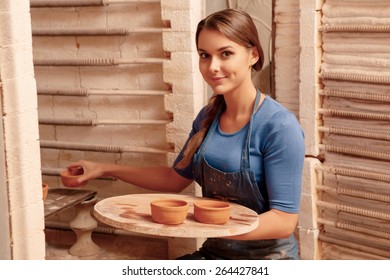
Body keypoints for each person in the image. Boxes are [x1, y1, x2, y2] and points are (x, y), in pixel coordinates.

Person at [67, 8, 305, 260]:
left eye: (226, 54)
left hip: (270, 259)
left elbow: (283, 221)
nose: (213, 67)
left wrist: (200, 226)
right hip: (215, 253)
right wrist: (103, 169)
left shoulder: (279, 127)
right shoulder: (207, 118)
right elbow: (174, 179)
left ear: (253, 55)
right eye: (205, 55)